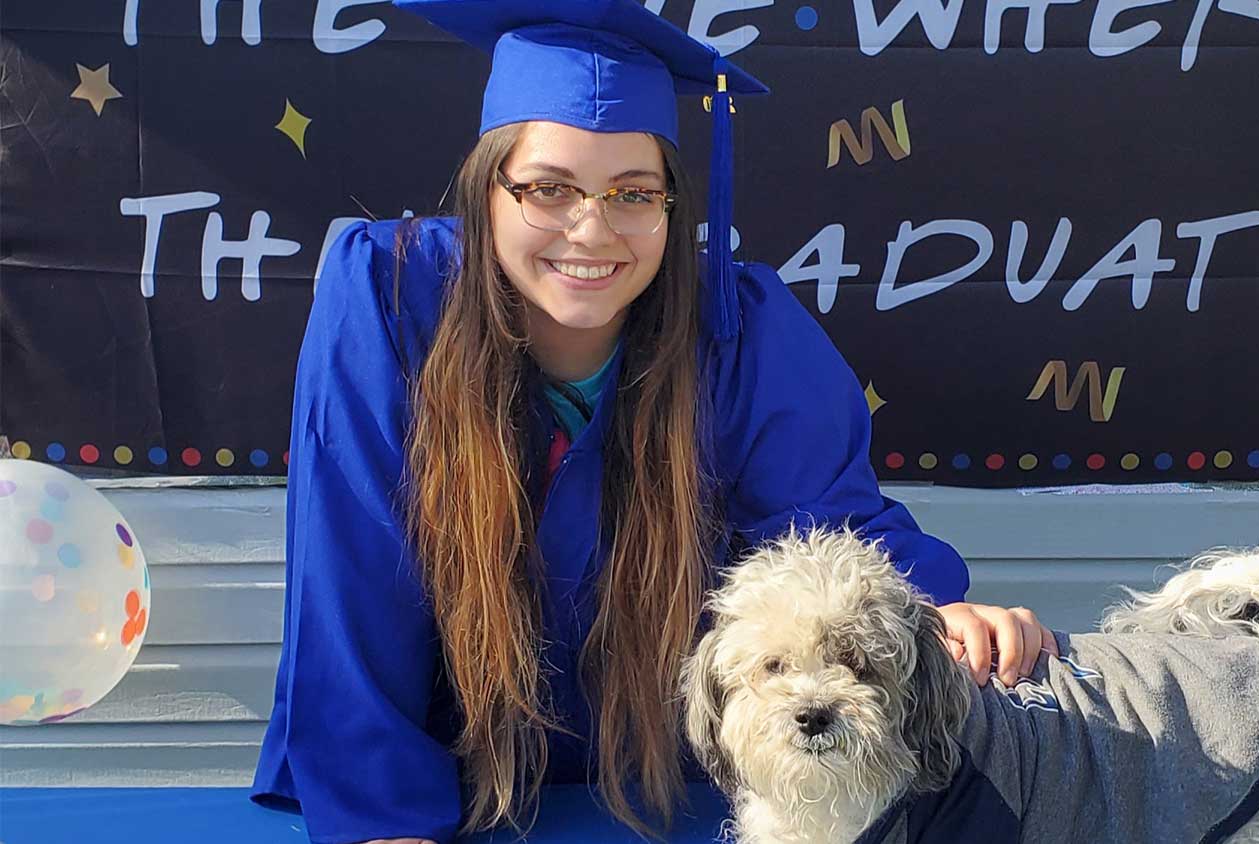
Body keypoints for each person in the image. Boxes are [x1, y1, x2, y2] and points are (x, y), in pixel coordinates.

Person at [251, 1, 1057, 842]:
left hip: (666, 779)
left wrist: (938, 614)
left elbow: (826, 532)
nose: (591, 229)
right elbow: (351, 571)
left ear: (674, 204)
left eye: (634, 193)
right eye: (548, 188)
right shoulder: (389, 300)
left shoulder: (736, 329)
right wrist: (384, 818)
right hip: (452, 774)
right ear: (486, 187)